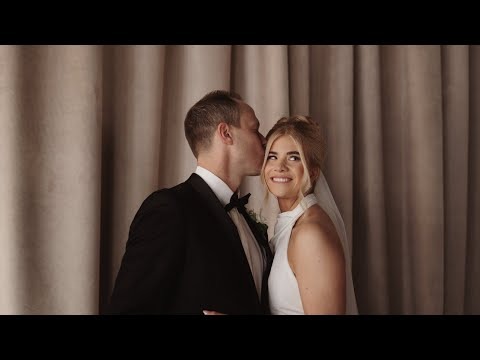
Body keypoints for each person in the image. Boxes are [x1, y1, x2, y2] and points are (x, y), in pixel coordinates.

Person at [105, 90, 273, 314]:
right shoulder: (169, 209)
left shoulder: (243, 216)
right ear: (226, 133)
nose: (264, 140)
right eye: (254, 129)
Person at [263, 115, 358, 315]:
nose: (280, 166)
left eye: (293, 157)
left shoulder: (310, 235)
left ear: (313, 172)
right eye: (272, 156)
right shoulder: (294, 223)